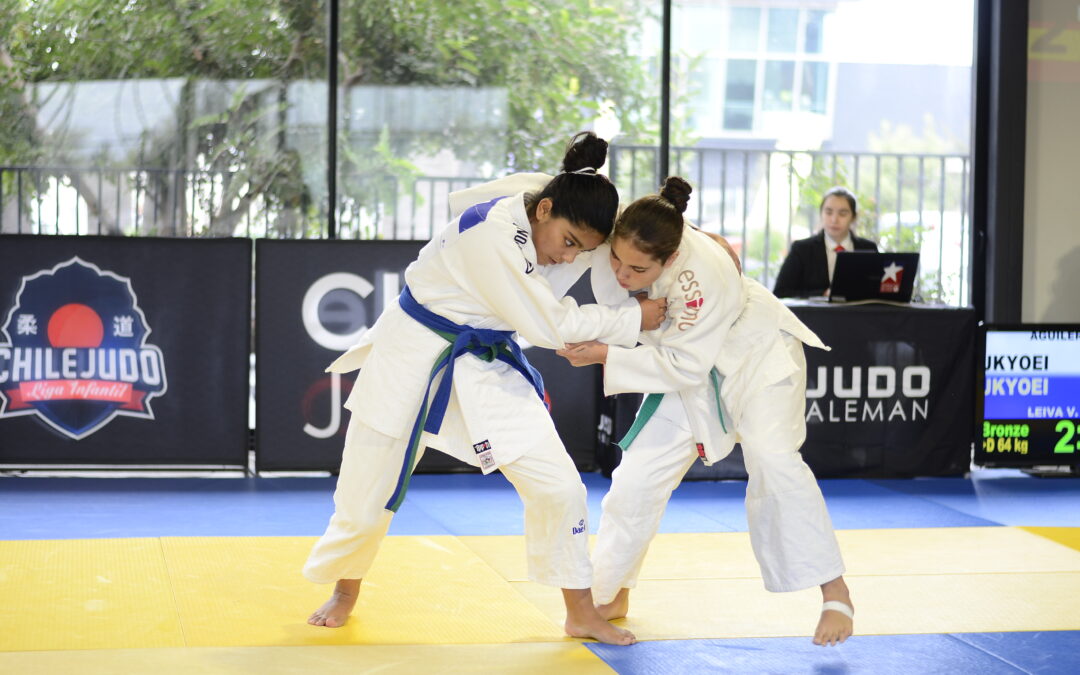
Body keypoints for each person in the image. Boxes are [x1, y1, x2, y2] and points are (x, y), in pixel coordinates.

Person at [303, 132, 668, 646]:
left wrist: (694, 243)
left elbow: (639, 227)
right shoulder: (496, 235)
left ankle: (580, 611)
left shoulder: (553, 200)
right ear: (544, 211)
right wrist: (633, 316)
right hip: (410, 351)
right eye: (569, 243)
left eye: (582, 250)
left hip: (483, 358)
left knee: (560, 485)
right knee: (368, 487)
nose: (570, 259)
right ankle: (344, 591)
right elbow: (550, 325)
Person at [557, 177, 855, 647]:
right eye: (617, 258)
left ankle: (834, 590)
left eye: (636, 269)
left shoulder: (702, 281)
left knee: (773, 460)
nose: (621, 273)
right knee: (636, 478)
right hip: (692, 375)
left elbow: (680, 363)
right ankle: (610, 593)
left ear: (670, 260)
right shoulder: (636, 231)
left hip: (756, 360)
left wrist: (604, 354)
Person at [772, 186, 878, 298]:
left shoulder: (868, 248)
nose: (834, 220)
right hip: (814, 315)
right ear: (821, 214)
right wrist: (822, 294)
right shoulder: (802, 249)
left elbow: (877, 291)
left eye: (842, 214)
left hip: (860, 315)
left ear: (853, 217)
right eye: (828, 212)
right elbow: (780, 293)